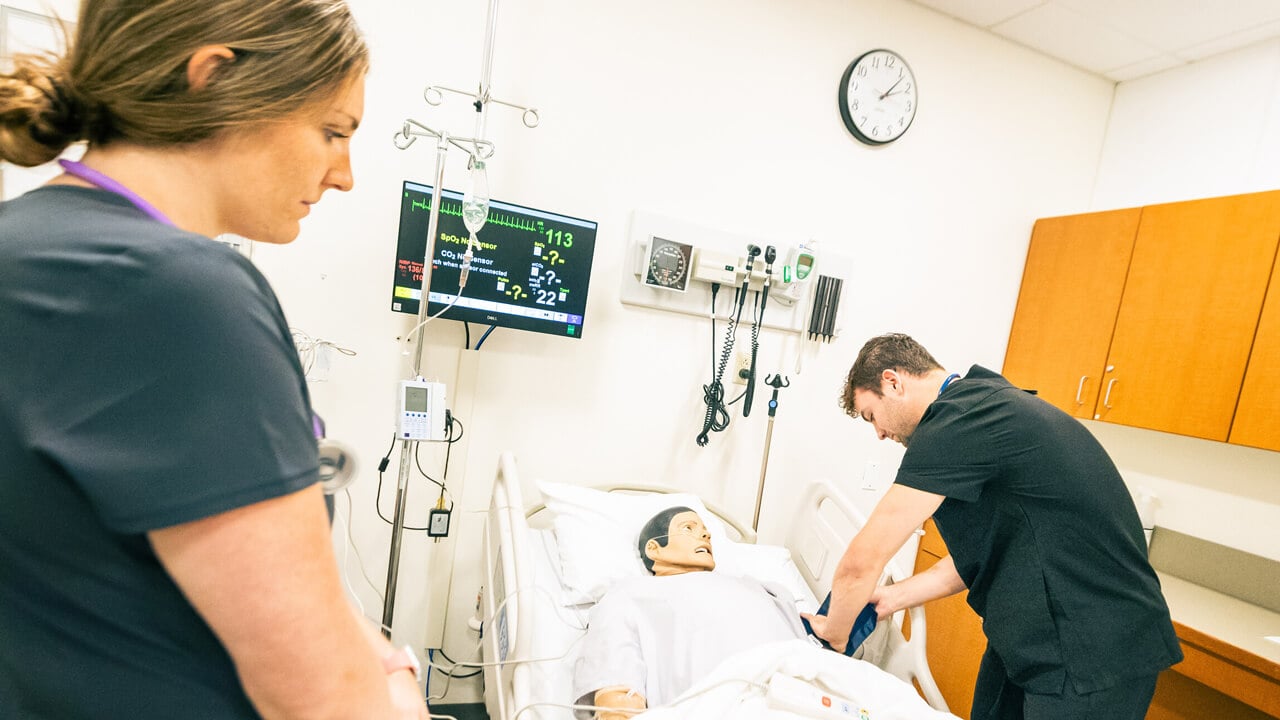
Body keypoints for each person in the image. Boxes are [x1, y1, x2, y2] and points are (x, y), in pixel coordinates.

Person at [0, 2, 429, 718]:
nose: (343, 175)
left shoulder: (24, 246)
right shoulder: (175, 291)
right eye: (332, 131)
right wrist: (395, 687)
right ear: (213, 78)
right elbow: (322, 700)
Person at [805, 333, 1182, 720]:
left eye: (872, 416)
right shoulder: (981, 404)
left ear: (893, 382)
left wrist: (832, 635)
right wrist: (893, 597)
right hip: (1035, 637)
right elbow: (986, 553)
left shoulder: (956, 423)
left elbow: (861, 563)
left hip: (1093, 649)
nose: (880, 433)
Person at [573, 506, 805, 720]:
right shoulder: (630, 592)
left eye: (706, 531)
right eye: (688, 528)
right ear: (654, 548)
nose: (705, 535)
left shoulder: (762, 586)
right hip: (729, 704)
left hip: (812, 694)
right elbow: (616, 683)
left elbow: (809, 640)